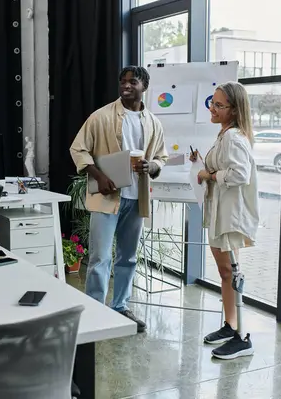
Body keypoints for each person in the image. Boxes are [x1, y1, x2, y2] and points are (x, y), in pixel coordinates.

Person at [70, 66, 168, 332]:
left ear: (144, 86)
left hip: (137, 199)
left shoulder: (153, 123)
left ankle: (120, 306)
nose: (126, 85)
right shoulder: (100, 117)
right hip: (107, 198)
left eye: (132, 81)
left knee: (129, 257)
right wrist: (98, 176)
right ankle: (94, 310)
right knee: (100, 258)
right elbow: (78, 149)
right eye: (122, 81)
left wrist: (152, 167)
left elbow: (162, 157)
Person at [190, 81, 259, 360]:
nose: (213, 107)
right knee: (225, 272)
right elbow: (223, 166)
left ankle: (242, 338)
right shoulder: (225, 134)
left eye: (219, 105)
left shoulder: (233, 138)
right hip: (221, 213)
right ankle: (231, 325)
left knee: (231, 272)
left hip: (230, 216)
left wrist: (210, 175)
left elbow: (239, 175)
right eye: (212, 102)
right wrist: (203, 164)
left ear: (234, 109)